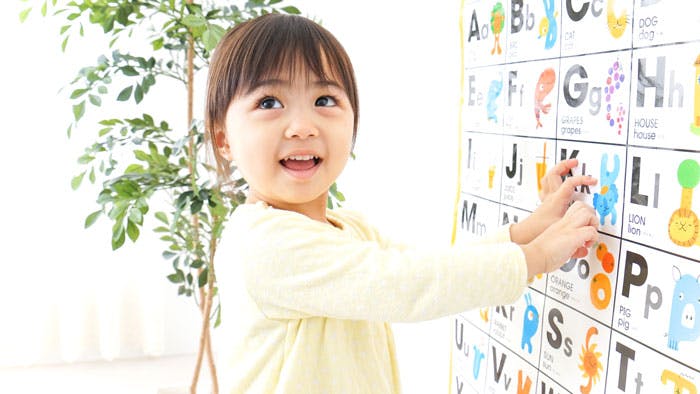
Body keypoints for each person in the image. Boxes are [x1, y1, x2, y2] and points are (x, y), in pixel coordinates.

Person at [205, 13, 599, 393]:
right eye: (269, 103)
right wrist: (539, 256)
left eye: (324, 99)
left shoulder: (347, 228)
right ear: (224, 140)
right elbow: (406, 284)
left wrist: (532, 229)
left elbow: (428, 267)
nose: (303, 126)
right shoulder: (261, 244)